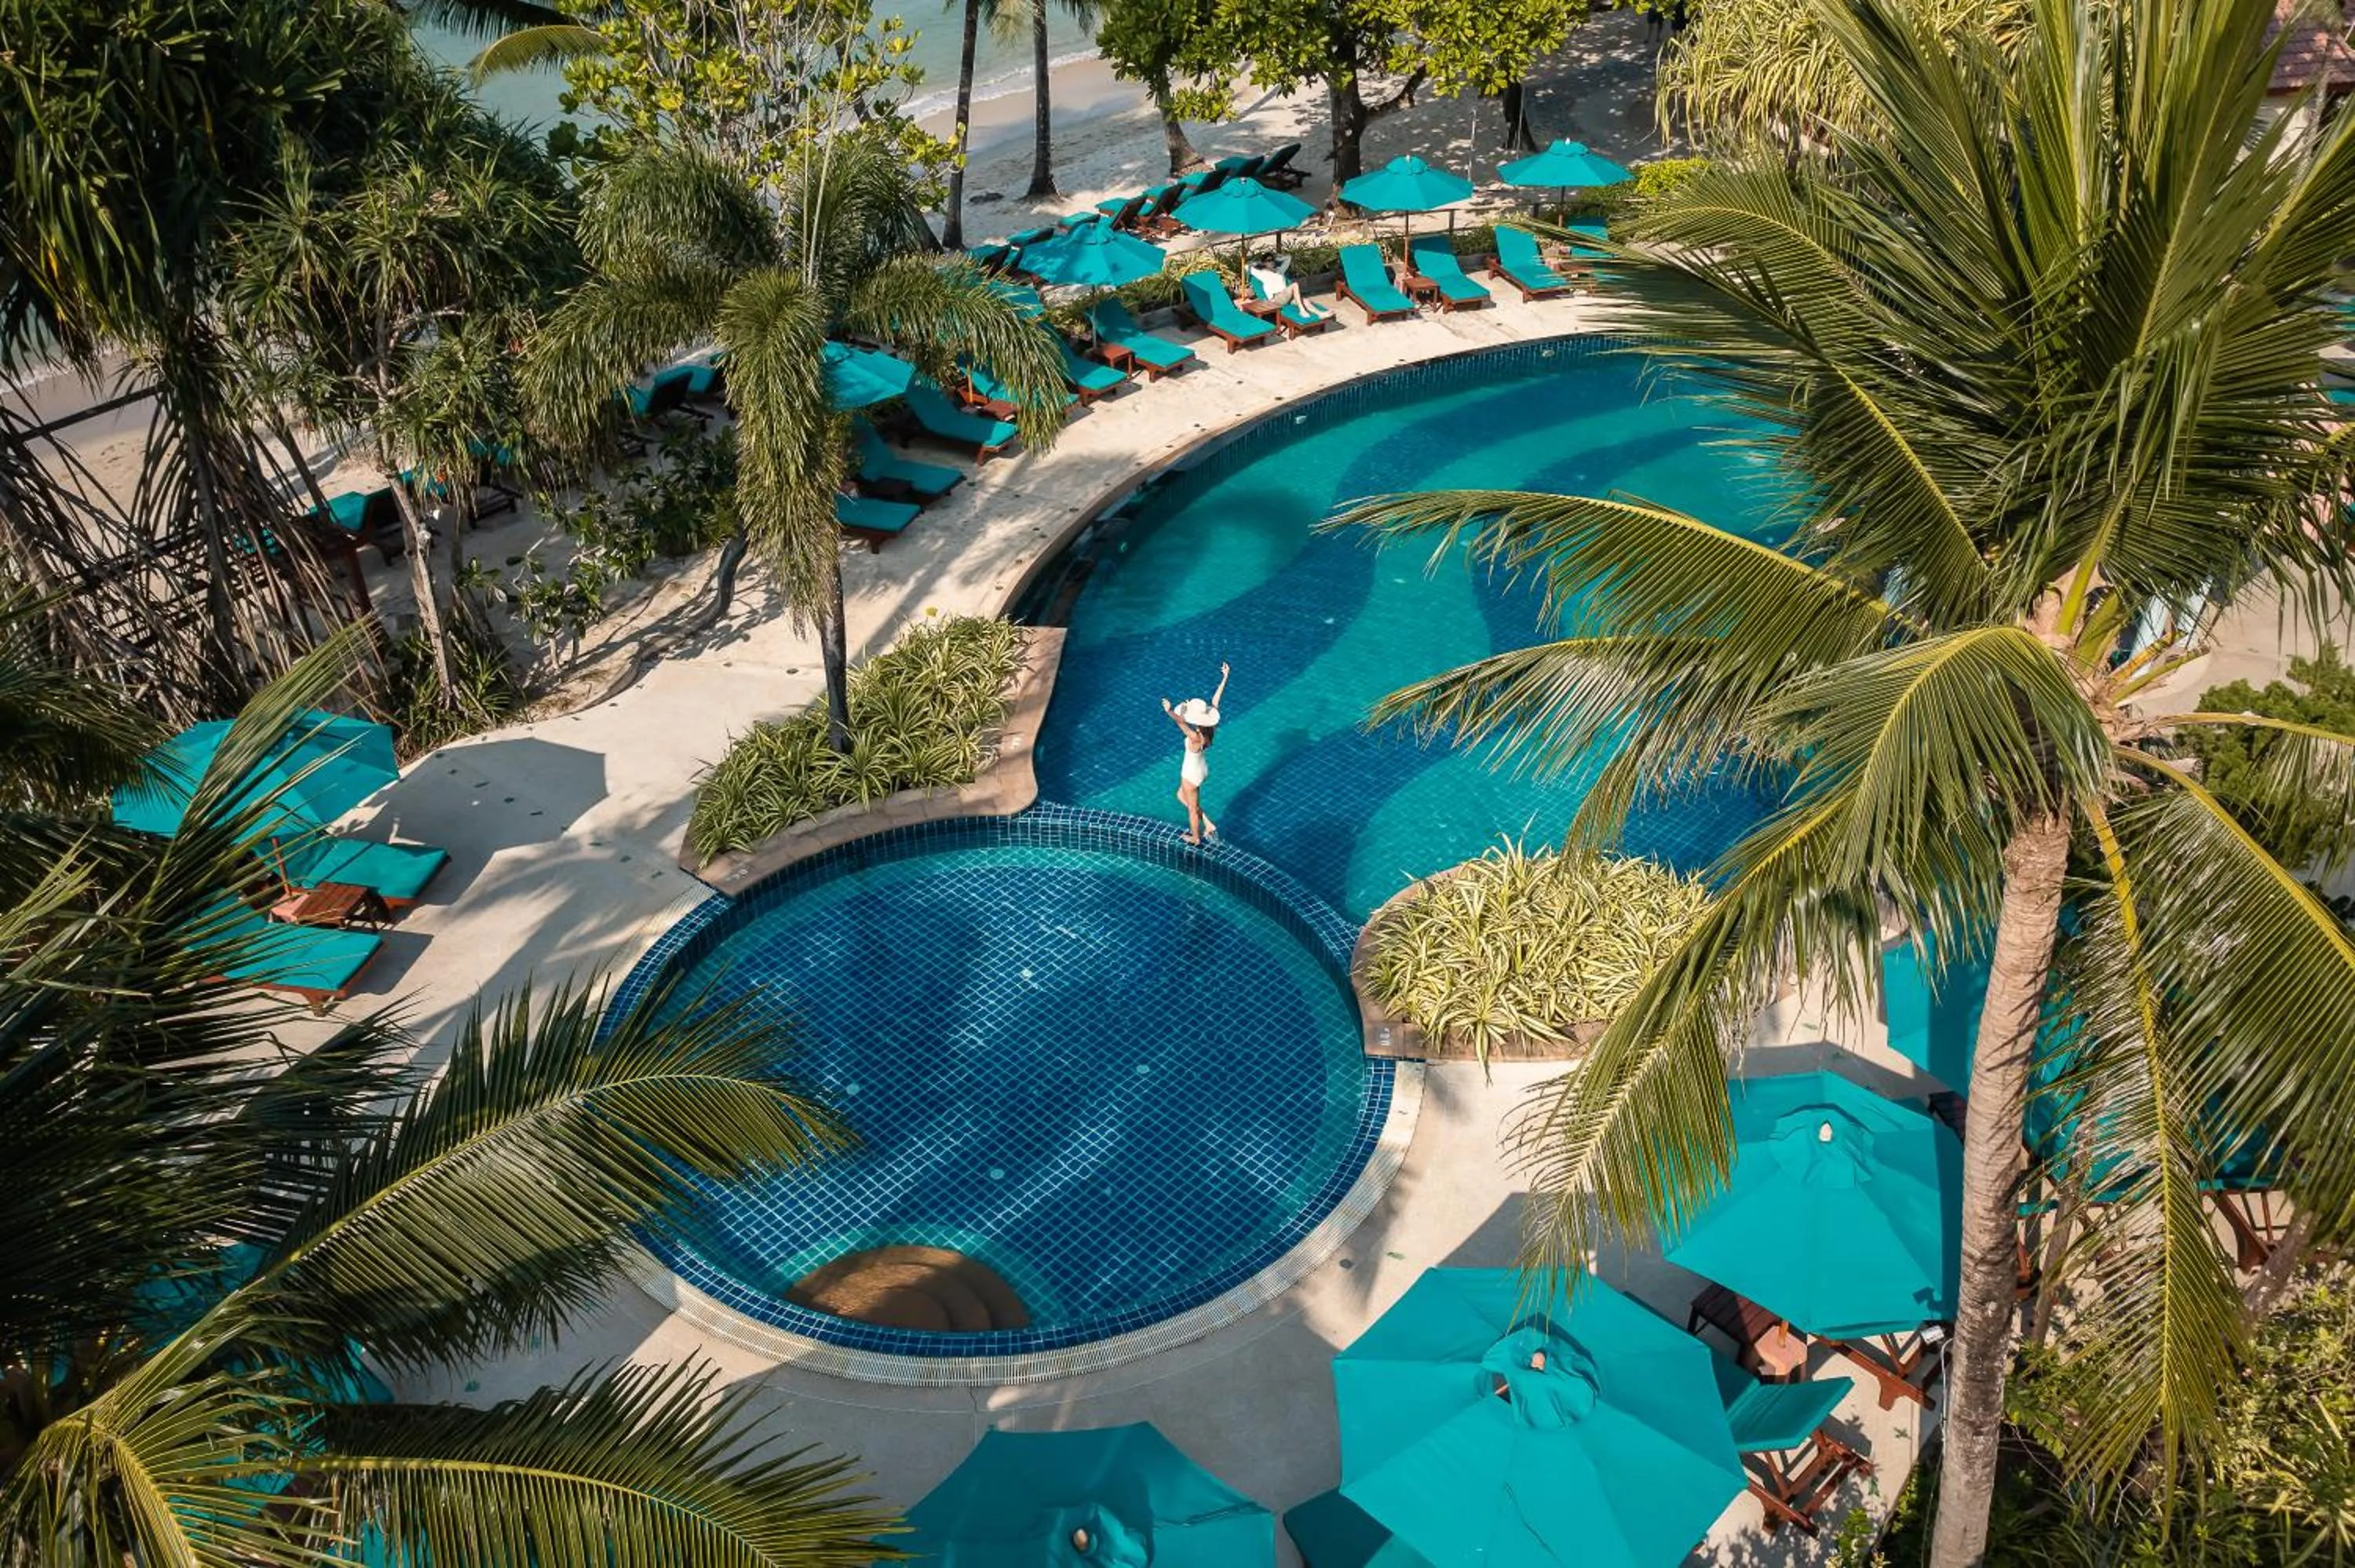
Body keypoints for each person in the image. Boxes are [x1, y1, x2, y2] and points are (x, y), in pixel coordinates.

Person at [1159, 661, 1230, 845]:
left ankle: (1196, 838)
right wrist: (1225, 678)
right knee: (1180, 796)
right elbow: (1215, 702)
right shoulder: (1209, 731)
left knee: (1191, 808)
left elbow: (1181, 723)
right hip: (1202, 769)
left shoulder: (1195, 738)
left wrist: (1169, 711)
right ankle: (1208, 824)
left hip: (1191, 774)